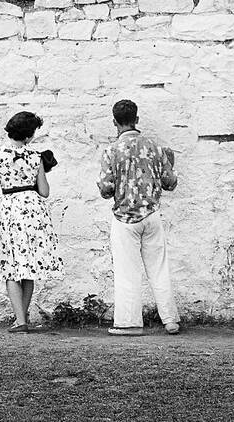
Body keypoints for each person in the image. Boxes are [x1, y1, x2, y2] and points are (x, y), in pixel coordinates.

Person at [97, 99, 180, 336]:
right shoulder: (155, 147)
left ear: (114, 122)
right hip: (152, 215)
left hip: (124, 218)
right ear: (137, 119)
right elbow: (170, 182)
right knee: (159, 269)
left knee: (127, 272)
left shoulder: (111, 151)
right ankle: (170, 320)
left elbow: (105, 189)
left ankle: (129, 323)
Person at [0, 112, 62, 334]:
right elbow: (44, 192)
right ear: (28, 136)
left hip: (9, 209)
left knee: (11, 265)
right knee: (29, 265)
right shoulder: (36, 157)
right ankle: (21, 318)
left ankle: (20, 320)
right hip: (33, 211)